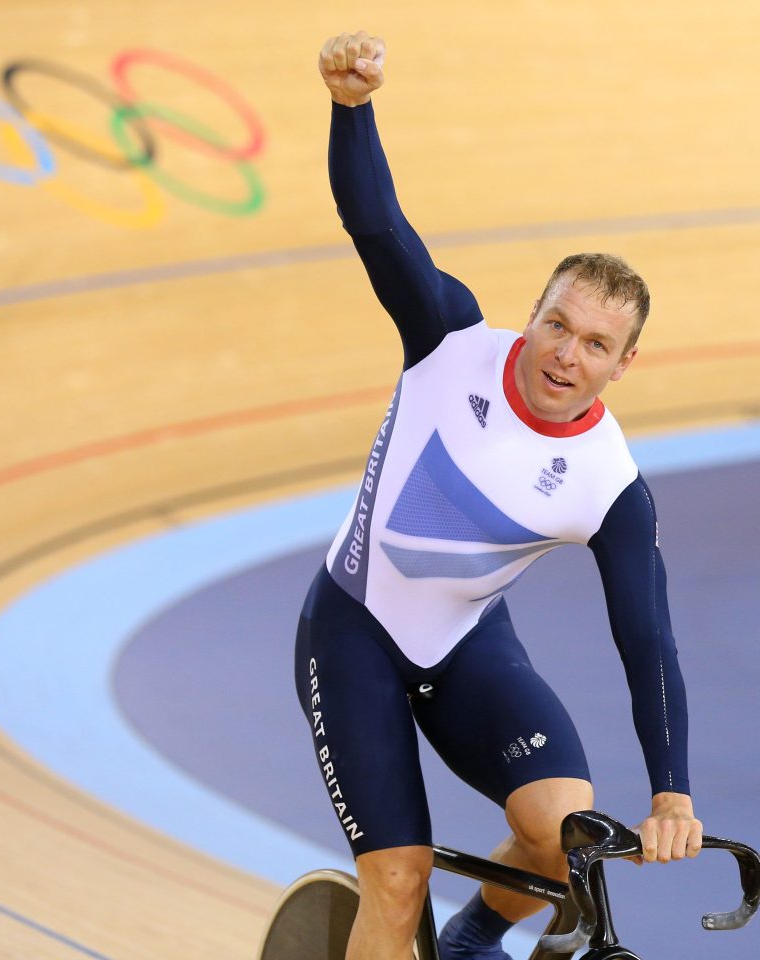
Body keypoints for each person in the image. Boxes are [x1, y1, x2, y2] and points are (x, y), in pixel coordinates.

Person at [294, 30, 703, 960]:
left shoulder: (611, 486)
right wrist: (350, 110)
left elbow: (647, 638)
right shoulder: (448, 338)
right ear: (532, 312)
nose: (566, 353)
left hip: (466, 644)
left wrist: (671, 790)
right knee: (394, 882)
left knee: (570, 843)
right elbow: (378, 227)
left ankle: (475, 941)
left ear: (623, 365)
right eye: (556, 324)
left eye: (595, 344)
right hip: (354, 629)